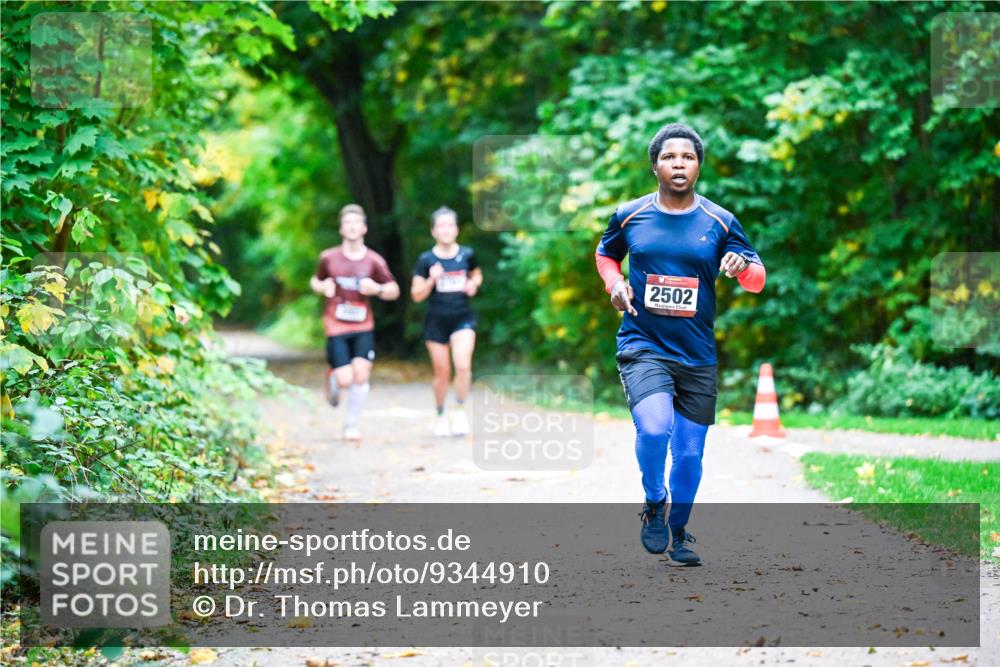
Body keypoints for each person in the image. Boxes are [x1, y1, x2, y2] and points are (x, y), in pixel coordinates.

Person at [594, 123, 766, 564]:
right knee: (654, 428)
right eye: (670, 157)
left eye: (687, 158)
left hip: (696, 355)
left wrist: (740, 266)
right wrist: (615, 283)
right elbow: (605, 253)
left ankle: (680, 531)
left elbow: (757, 279)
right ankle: (655, 501)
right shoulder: (630, 215)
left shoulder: (720, 221)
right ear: (655, 165)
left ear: (698, 166)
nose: (679, 164)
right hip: (642, 343)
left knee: (689, 455)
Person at [311, 204, 400, 442]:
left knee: (361, 376)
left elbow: (394, 290)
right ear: (341, 228)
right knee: (345, 379)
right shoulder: (328, 258)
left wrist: (378, 288)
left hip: (363, 326)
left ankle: (351, 424)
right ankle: (334, 379)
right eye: (347, 223)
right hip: (336, 325)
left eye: (356, 223)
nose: (351, 227)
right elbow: (315, 280)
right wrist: (323, 287)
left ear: (364, 228)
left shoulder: (373, 260)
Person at [411, 206, 483, 436]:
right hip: (436, 321)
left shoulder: (467, 254)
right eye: (440, 225)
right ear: (433, 231)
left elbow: (477, 274)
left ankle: (460, 411)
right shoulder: (426, 259)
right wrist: (431, 280)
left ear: (456, 229)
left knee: (463, 365)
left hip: (462, 317)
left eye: (449, 225)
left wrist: (474, 284)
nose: (445, 229)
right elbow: (416, 295)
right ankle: (441, 414)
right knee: (442, 373)